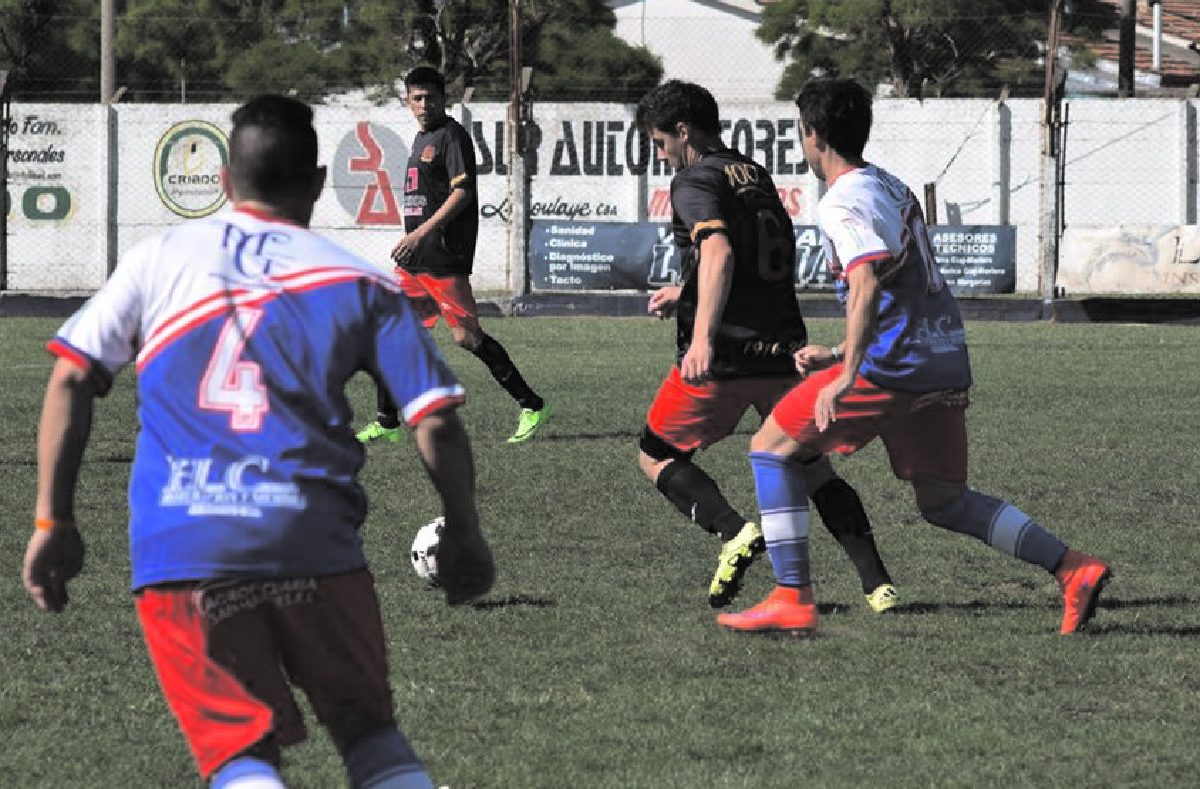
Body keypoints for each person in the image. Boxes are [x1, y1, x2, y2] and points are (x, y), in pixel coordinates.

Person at [21, 95, 495, 788]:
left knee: (241, 758)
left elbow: (70, 379)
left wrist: (52, 520)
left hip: (186, 546)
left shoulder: (159, 261)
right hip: (314, 540)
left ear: (222, 181)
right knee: (371, 739)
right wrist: (468, 531)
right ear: (317, 182)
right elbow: (434, 419)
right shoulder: (358, 281)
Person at [718, 77, 1112, 635]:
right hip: (942, 358)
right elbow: (901, 285)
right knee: (944, 500)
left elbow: (866, 282)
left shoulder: (842, 201)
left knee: (770, 448)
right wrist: (836, 351)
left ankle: (792, 596)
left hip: (891, 367)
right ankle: (1073, 568)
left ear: (812, 135)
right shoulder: (889, 185)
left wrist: (846, 372)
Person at [634, 80, 898, 612]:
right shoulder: (753, 174)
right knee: (811, 466)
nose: (663, 156)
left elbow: (722, 254)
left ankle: (733, 532)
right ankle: (878, 585)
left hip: (726, 354)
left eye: (662, 144)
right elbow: (751, 261)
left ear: (683, 132)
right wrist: (685, 292)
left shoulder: (693, 179)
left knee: (656, 453)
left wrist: (702, 337)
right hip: (783, 349)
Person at [356, 65, 551, 446]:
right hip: (414, 262)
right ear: (407, 101)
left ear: (443, 99)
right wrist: (412, 241)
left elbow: (461, 194)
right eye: (417, 98)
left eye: (430, 97)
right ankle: (387, 421)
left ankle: (532, 405)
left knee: (466, 337)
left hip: (443, 258)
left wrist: (420, 235)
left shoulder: (452, 137)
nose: (424, 104)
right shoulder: (420, 139)